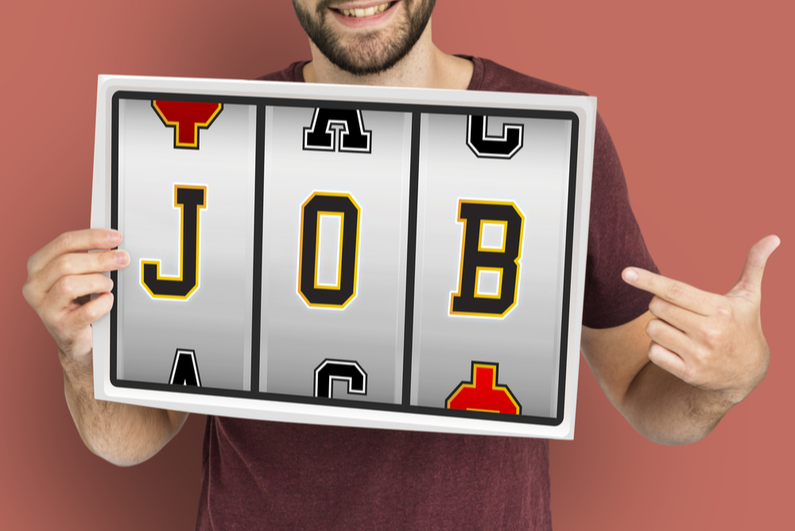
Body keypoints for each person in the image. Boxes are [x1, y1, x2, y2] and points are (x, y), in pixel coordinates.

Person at [22, 1, 779, 529]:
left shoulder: (554, 137)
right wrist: (80, 354)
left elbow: (648, 397)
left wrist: (725, 379)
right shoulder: (202, 142)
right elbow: (129, 436)